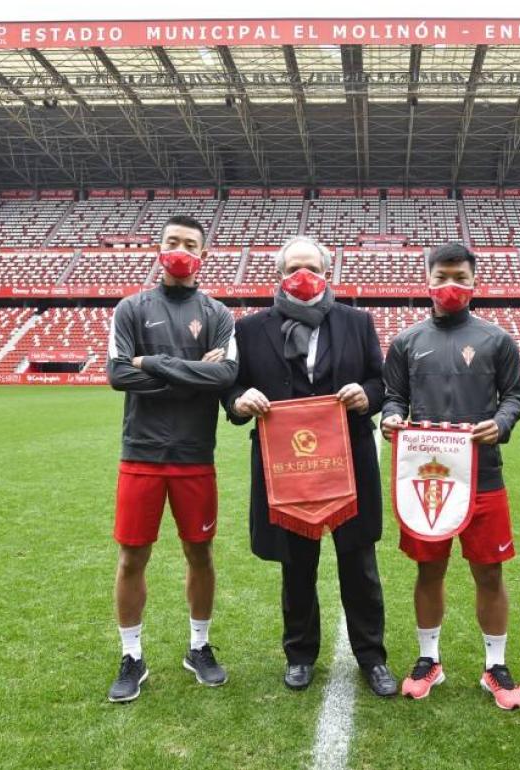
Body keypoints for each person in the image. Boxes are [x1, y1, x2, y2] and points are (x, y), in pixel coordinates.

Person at [223, 236, 396, 697]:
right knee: (297, 565)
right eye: (294, 268)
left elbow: (381, 381)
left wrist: (367, 396)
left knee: (358, 562)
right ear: (278, 276)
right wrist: (241, 400)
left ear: (327, 272)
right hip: (287, 467)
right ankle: (299, 655)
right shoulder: (249, 329)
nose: (303, 276)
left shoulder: (357, 322)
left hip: (349, 461)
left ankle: (372, 657)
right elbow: (232, 387)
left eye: (312, 267)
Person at [381, 242, 520, 710]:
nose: (451, 286)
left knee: (489, 572)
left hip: (483, 476)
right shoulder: (406, 341)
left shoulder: (497, 340)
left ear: (474, 281)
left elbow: (515, 398)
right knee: (430, 569)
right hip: (427, 479)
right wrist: (389, 420)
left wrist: (500, 424)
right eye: (443, 276)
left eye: (461, 277)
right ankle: (430, 659)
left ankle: (495, 665)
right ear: (427, 280)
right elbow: (393, 398)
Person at [104, 214, 238, 703]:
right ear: (158, 248)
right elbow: (118, 375)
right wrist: (187, 373)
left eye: (190, 243)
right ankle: (132, 655)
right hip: (140, 452)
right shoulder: (130, 309)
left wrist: (152, 364)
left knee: (199, 553)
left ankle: (198, 647)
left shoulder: (219, 314)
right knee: (133, 556)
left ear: (203, 254)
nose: (180, 249)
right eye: (172, 241)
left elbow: (224, 377)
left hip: (194, 455)